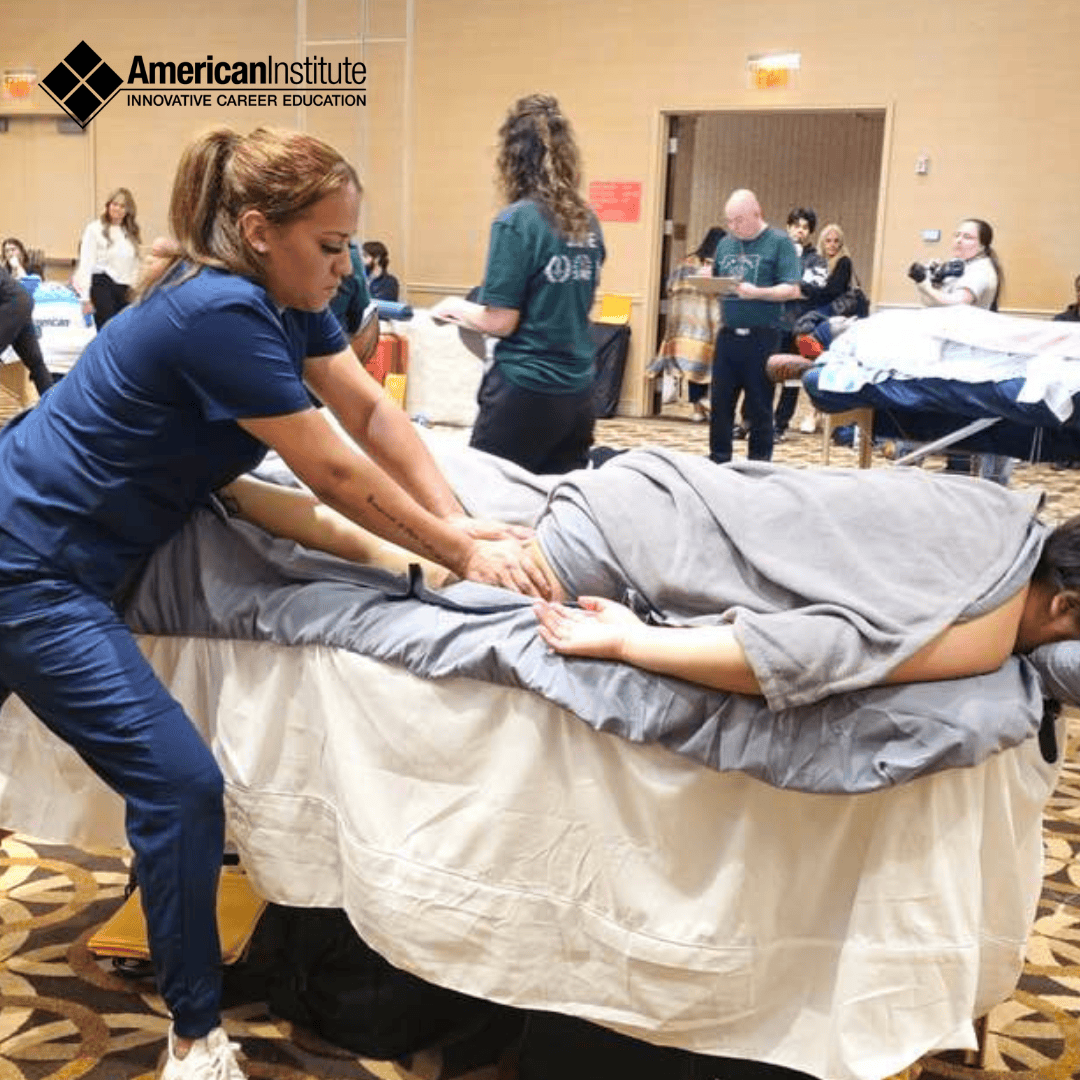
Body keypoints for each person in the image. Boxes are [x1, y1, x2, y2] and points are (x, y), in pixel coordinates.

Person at [0, 126, 554, 1080]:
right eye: (331, 247)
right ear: (258, 230)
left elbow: (374, 414)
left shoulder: (282, 299)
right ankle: (195, 1041)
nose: (346, 268)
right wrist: (457, 549)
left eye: (350, 246)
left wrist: (462, 527)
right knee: (180, 788)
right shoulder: (216, 312)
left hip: (57, 552)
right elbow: (331, 468)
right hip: (28, 568)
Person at [430, 93, 605, 475]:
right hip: (578, 393)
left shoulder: (517, 221)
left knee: (485, 501)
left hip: (526, 389)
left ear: (512, 159)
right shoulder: (587, 221)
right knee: (558, 504)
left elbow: (501, 321)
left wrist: (453, 308)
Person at [703, 189, 801, 464]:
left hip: (763, 336)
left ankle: (759, 464)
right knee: (720, 404)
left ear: (757, 214)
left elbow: (791, 289)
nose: (733, 227)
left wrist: (757, 292)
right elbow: (720, 280)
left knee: (759, 405)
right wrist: (708, 283)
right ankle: (718, 460)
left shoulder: (779, 242)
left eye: (739, 220)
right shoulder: (725, 244)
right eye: (729, 221)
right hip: (728, 335)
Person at [910, 217, 1009, 481]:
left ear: (983, 245)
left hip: (965, 355)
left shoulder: (981, 271)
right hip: (949, 351)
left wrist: (925, 283)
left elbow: (954, 304)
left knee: (959, 416)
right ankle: (951, 468)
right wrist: (931, 282)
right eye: (956, 235)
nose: (958, 241)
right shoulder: (962, 268)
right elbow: (931, 304)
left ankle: (958, 472)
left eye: (967, 237)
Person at [650, 226, 725, 422]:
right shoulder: (719, 267)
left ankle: (697, 409)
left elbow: (669, 286)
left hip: (683, 326)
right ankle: (706, 404)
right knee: (709, 368)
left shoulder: (685, 263)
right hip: (708, 325)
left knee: (694, 368)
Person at [774, 207, 826, 437]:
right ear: (788, 227)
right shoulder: (777, 252)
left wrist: (792, 283)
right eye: (796, 226)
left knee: (791, 378)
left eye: (805, 227)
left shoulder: (817, 260)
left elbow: (815, 289)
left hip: (799, 325)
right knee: (763, 375)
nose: (800, 231)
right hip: (773, 322)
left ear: (810, 232)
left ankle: (780, 425)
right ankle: (751, 422)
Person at [74, 187, 141, 329]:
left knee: (124, 332)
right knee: (108, 329)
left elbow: (135, 266)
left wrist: (137, 291)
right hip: (102, 284)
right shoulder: (94, 229)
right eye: (114, 204)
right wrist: (85, 298)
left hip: (126, 288)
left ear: (128, 210)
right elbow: (86, 263)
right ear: (108, 205)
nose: (117, 208)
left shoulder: (130, 232)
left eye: (122, 206)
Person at [0, 265, 53, 396]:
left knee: (36, 364)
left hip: (11, 304)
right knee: (36, 363)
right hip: (23, 301)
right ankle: (55, 407)